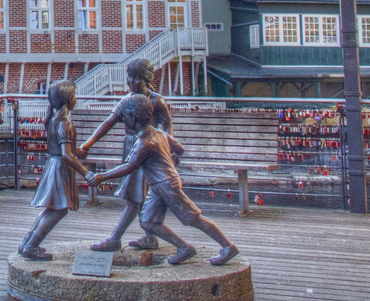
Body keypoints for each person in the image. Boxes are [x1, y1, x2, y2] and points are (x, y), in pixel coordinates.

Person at [88, 95, 239, 266]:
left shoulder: (144, 143)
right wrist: (170, 156)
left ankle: (228, 246)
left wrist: (102, 176)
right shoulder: (158, 133)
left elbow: (129, 167)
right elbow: (179, 148)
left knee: (193, 218)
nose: (122, 121)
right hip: (157, 186)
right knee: (147, 222)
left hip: (166, 185)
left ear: (132, 118)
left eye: (124, 117)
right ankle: (184, 248)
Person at [78, 59, 173, 250]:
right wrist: (88, 143)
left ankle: (114, 239)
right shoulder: (127, 101)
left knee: (135, 199)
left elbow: (167, 124)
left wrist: (167, 146)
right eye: (129, 76)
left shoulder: (156, 100)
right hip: (131, 146)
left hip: (147, 148)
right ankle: (150, 237)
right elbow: (109, 122)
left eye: (136, 78)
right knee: (138, 195)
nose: (131, 81)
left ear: (146, 79)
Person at [17, 81, 90, 261]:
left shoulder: (52, 120)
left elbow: (63, 148)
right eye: (75, 96)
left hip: (53, 164)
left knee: (52, 208)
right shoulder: (64, 123)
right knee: (59, 210)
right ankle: (31, 245)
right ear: (70, 99)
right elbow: (66, 154)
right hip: (60, 169)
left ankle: (27, 243)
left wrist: (77, 151)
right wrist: (86, 172)